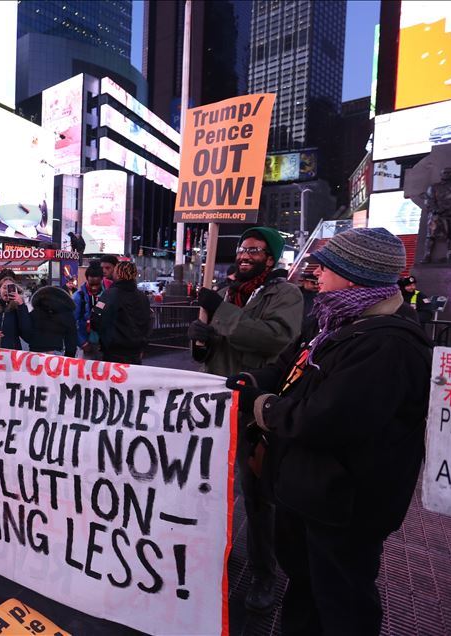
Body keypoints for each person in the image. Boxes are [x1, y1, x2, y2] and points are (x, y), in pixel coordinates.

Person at [227, 227, 431, 635]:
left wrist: (264, 406)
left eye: (328, 266)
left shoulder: (389, 344)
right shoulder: (329, 318)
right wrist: (251, 381)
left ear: (355, 275)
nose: (317, 273)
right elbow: (285, 366)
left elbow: (324, 421)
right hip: (306, 490)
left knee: (342, 601)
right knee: (304, 588)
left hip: (346, 506)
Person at [186, 226, 303, 612]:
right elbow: (209, 351)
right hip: (216, 406)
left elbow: (274, 339)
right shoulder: (225, 292)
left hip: (254, 407)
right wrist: (201, 340)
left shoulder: (284, 294)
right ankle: (218, 550)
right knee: (212, 486)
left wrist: (220, 314)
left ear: (270, 257)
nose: (244, 255)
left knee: (257, 497)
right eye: (241, 249)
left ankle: (263, 573)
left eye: (254, 250)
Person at [89, 261, 151, 364]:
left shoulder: (109, 294)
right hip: (136, 350)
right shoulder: (142, 297)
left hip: (114, 350)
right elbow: (148, 322)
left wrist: (103, 337)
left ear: (117, 273)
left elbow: (96, 318)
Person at [28, 286, 77, 357]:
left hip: (34, 351)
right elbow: (72, 338)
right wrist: (70, 356)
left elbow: (26, 330)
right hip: (56, 352)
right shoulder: (66, 312)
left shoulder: (36, 311)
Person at [0, 277, 31, 350]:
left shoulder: (18, 307)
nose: (7, 291)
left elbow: (26, 331)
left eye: (11, 288)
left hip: (13, 352)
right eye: (5, 287)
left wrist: (21, 305)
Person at [73, 261, 105, 360]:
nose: (94, 287)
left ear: (102, 280)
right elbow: (71, 322)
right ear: (86, 279)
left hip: (104, 345)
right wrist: (82, 343)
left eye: (97, 284)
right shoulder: (78, 297)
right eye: (91, 284)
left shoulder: (108, 296)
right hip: (86, 345)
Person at [298, 271, 320, 341]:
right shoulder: (295, 293)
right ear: (305, 281)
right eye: (313, 283)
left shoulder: (320, 297)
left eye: (318, 283)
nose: (316, 286)